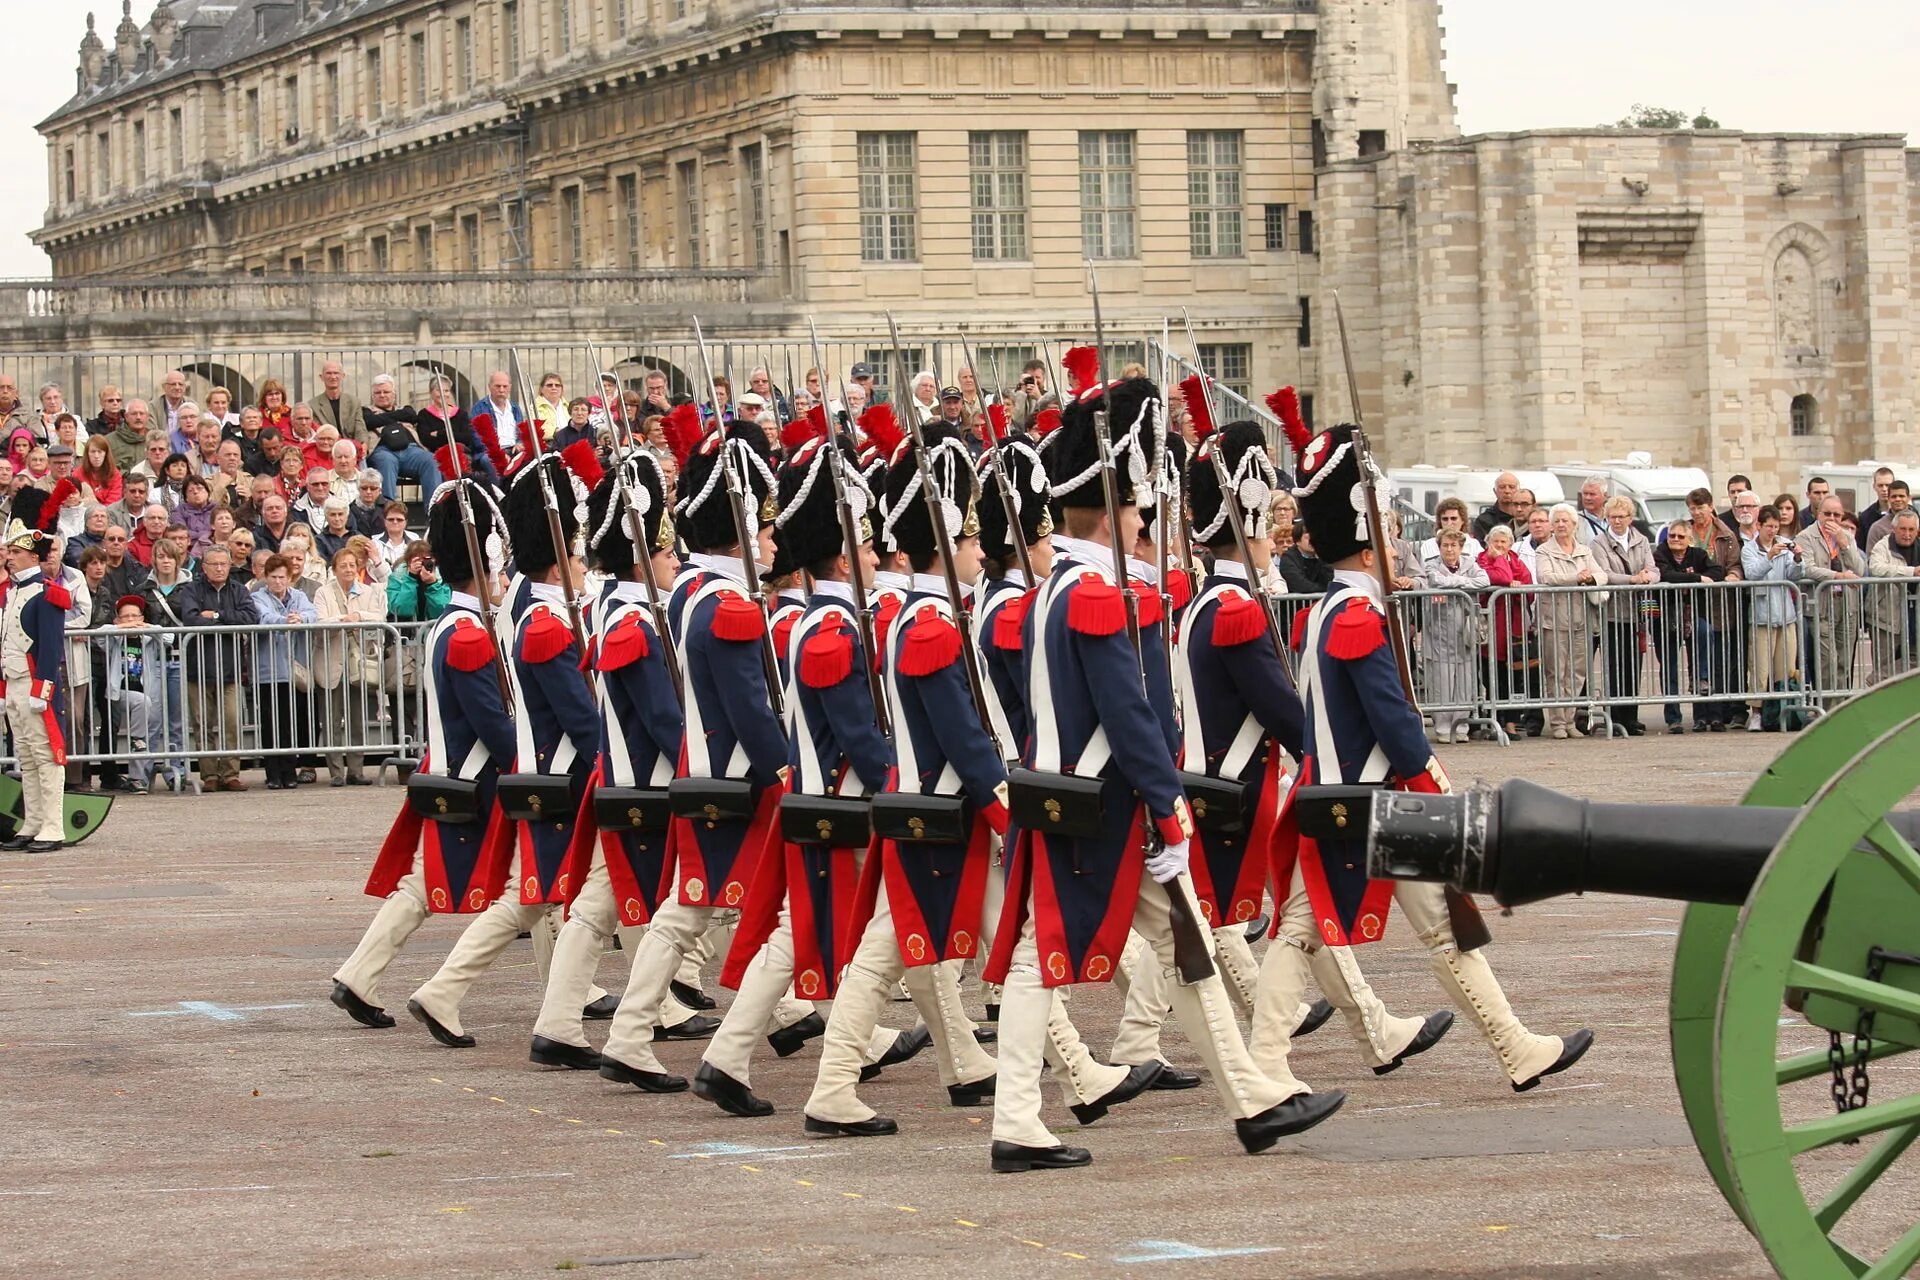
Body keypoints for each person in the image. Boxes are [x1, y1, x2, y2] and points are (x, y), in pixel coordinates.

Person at [985, 370, 1338, 1175]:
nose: (1147, 519)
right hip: (1109, 806)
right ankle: (1019, 1123)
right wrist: (1168, 810)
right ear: (1112, 508)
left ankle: (1252, 1098)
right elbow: (1131, 715)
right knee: (1066, 958)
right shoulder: (1102, 594)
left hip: (1071, 794)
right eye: (1139, 504)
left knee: (1181, 949)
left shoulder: (1050, 590)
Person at [1266, 417, 1591, 1094]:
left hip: (1352, 800)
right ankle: (1263, 1063)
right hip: (1373, 806)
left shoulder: (1326, 611)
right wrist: (1443, 794)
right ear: (1366, 540)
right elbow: (1398, 729)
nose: (1393, 541)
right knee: (1305, 936)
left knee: (1432, 929)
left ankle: (1515, 1047)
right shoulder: (1356, 618)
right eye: (1383, 530)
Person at [597, 418, 799, 1094]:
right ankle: (651, 1037)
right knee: (710, 909)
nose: (771, 540)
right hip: (737, 777)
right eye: (763, 528)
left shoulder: (689, 590)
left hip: (703, 769)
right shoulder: (731, 604)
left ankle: (791, 1017)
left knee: (701, 909)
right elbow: (747, 706)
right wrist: (786, 769)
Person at [405, 453, 607, 1051]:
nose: (582, 566)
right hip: (565, 779)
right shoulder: (544, 623)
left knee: (538, 899)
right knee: (550, 897)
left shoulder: (541, 614)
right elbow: (581, 720)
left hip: (558, 775)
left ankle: (471, 997)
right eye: (575, 556)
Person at [333, 477, 520, 1029]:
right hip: (475, 776)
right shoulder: (467, 632)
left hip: (453, 768)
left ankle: (358, 975)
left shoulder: (457, 624)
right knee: (525, 889)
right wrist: (525, 760)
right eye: (498, 569)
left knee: (427, 885)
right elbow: (489, 720)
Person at [0, 490, 73, 852]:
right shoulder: (10, 592)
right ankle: (31, 822)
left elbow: (49, 649)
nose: (8, 557)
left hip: (34, 686)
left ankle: (53, 826)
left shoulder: (48, 594)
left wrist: (42, 692)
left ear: (32, 553)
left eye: (14, 552)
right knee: (26, 757)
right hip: (13, 684)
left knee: (46, 757)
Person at [1652, 519, 1728, 734]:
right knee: (1669, 668)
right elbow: (1665, 575)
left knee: (1705, 638)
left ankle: (1705, 705)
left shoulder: (1699, 555)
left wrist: (1702, 577)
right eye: (1672, 536)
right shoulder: (1660, 553)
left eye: (1680, 536)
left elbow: (1717, 572)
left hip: (1694, 614)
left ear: (1690, 539)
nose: (1675, 539)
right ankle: (1673, 719)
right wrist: (1696, 578)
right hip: (1667, 617)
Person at [1588, 495, 1656, 736]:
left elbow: (1653, 568)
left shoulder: (1642, 540)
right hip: (1611, 613)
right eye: (1613, 516)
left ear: (1630, 518)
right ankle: (1616, 717)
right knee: (1616, 667)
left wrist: (1648, 577)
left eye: (1622, 516)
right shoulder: (1599, 542)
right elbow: (1604, 573)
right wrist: (1632, 580)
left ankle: (1631, 716)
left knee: (1633, 666)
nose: (1617, 521)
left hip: (1636, 613)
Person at [250, 554, 317, 789]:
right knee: (270, 722)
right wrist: (285, 620)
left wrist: (301, 617)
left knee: (289, 721)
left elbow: (313, 614)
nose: (278, 581)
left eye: (282, 577)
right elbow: (264, 617)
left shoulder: (298, 596)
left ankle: (289, 771)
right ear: (266, 578)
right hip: (268, 669)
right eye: (273, 577)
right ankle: (273, 773)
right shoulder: (257, 597)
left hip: (292, 669)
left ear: (290, 578)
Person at [313, 547, 378, 788]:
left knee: (357, 719)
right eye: (343, 565)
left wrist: (358, 615)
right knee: (331, 720)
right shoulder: (323, 592)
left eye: (352, 565)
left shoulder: (368, 591)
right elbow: (320, 621)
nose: (348, 569)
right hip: (330, 660)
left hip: (357, 663)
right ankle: (336, 772)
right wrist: (344, 619)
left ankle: (356, 770)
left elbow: (379, 616)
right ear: (334, 569)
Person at [1535, 504, 1601, 739]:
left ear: (1575, 525)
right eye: (1558, 521)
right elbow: (1546, 577)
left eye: (1566, 521)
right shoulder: (1544, 551)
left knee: (1578, 672)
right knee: (1557, 672)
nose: (1562, 525)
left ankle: (1570, 719)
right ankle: (1557, 722)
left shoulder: (1585, 550)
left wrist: (1591, 577)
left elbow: (1600, 574)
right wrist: (1576, 578)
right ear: (1552, 526)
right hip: (1555, 619)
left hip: (1581, 618)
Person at [1421, 528, 1490, 742]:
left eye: (1453, 545)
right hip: (1439, 631)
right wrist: (1463, 583)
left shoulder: (1470, 563)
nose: (1449, 549)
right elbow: (1435, 580)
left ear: (1461, 547)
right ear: (1439, 546)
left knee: (1464, 681)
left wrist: (1456, 581)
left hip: (1464, 633)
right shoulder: (1431, 564)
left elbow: (1484, 580)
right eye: (1445, 545)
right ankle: (1442, 728)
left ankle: (1461, 727)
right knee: (1441, 682)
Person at [1796, 495, 1866, 700]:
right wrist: (1838, 576)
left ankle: (1841, 707)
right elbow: (1807, 569)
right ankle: (1827, 709)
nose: (1832, 519)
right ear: (1818, 514)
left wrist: (1844, 545)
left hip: (1847, 604)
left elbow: (1860, 569)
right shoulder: (1805, 536)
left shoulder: (1847, 536)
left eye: (1836, 515)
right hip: (1822, 606)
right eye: (1827, 514)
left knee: (1844, 660)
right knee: (1828, 661)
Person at [138, 540, 192, 791]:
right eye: (160, 556)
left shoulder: (190, 588)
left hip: (180, 656)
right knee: (152, 717)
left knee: (177, 721)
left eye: (170, 556)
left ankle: (177, 771)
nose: (166, 561)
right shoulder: (144, 589)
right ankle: (143, 771)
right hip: (154, 657)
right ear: (154, 559)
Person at [1746, 508, 1805, 729]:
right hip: (1762, 616)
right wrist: (1769, 557)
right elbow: (1752, 574)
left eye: (1775, 526)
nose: (1773, 531)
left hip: (1786, 616)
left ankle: (1783, 712)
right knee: (1760, 670)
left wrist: (1798, 558)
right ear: (1759, 526)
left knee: (1786, 668)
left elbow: (1795, 575)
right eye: (1768, 526)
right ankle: (1756, 713)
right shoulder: (1749, 549)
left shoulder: (1785, 545)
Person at [1478, 526, 1536, 738]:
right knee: (1491, 677)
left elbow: (1527, 584)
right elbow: (1498, 578)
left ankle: (1511, 722)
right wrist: (1502, 565)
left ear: (1511, 544)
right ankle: (1495, 720)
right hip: (1490, 631)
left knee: (1515, 678)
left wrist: (1507, 574)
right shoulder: (1482, 559)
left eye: (1504, 542)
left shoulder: (1517, 561)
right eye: (1496, 542)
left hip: (1514, 630)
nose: (1500, 546)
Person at [1867, 508, 1920, 685]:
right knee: (1884, 661)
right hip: (1885, 615)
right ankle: (1878, 688)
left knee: (1915, 658)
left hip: (1914, 614)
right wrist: (1911, 572)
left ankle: (1877, 679)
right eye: (1903, 529)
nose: (1907, 534)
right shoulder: (1883, 546)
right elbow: (1876, 568)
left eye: (1911, 530)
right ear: (1894, 529)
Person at [307, 361, 366, 452]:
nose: (333, 377)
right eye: (329, 373)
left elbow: (360, 427)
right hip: (328, 448)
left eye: (336, 373)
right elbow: (319, 432)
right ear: (321, 377)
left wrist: (363, 444)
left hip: (352, 447)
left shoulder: (354, 402)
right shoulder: (313, 405)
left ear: (343, 376)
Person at [385, 540, 448, 623]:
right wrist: (411, 578)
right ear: (408, 561)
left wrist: (432, 584)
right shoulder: (397, 578)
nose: (422, 564)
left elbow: (442, 611)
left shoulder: (443, 579)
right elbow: (402, 610)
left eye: (426, 559)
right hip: (404, 633)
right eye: (418, 560)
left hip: (432, 631)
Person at [1470, 472, 1531, 542]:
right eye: (1502, 487)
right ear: (1495, 491)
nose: (1507, 491)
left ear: (1519, 490)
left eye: (1511, 487)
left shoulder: (1529, 518)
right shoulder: (1484, 521)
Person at [1865, 480, 1912, 551]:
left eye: (1901, 496)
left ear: (1909, 498)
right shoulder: (1878, 528)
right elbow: (1870, 558)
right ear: (1889, 499)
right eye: (1894, 496)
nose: (1898, 499)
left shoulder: (1917, 524)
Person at [1856, 467, 1896, 550]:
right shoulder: (1865, 517)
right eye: (1880, 485)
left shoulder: (1908, 513)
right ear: (1874, 486)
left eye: (1888, 485)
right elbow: (1861, 549)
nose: (1884, 489)